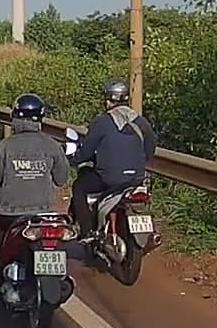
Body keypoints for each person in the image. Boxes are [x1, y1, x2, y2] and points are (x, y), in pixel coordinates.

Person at [0, 93, 70, 286]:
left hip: (9, 213)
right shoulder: (52, 144)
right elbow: (61, 179)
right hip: (43, 213)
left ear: (16, 116)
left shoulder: (6, 145)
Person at [68, 78, 158, 239]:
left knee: (79, 187)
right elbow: (150, 146)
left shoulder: (101, 122)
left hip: (109, 179)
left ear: (108, 100)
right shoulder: (141, 121)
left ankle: (87, 233)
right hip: (137, 178)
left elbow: (86, 153)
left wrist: (73, 160)